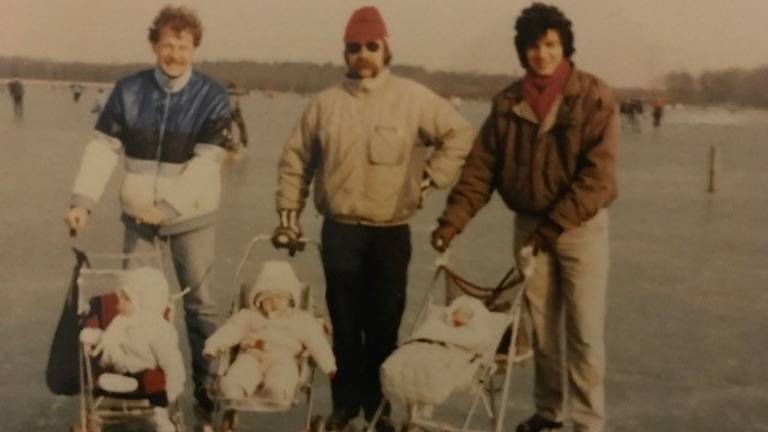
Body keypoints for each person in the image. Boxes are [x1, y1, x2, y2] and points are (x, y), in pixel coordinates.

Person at [273, 6, 474, 431]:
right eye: (353, 47)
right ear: (344, 53)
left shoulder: (413, 98)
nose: (362, 54)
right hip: (340, 230)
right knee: (344, 324)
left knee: (383, 325)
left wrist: (428, 180)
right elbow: (295, 159)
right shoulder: (325, 104)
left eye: (371, 46)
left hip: (390, 233)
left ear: (385, 48)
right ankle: (345, 405)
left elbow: (461, 136)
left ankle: (380, 408)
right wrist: (289, 216)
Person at [431, 3, 618, 432]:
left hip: (579, 230)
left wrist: (556, 225)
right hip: (530, 229)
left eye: (550, 44)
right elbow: (480, 170)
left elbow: (599, 178)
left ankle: (588, 421)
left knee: (584, 331)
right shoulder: (507, 103)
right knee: (542, 331)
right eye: (533, 46)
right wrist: (452, 221)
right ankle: (549, 412)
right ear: (523, 50)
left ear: (564, 46)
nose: (542, 54)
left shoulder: (594, 96)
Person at [63, 6, 231, 430]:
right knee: (133, 308)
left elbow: (207, 164)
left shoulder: (211, 96)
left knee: (201, 308)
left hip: (192, 219)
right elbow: (102, 150)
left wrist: (170, 206)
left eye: (183, 45)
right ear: (155, 45)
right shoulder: (129, 91)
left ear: (195, 48)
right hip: (138, 219)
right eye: (167, 44)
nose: (174, 53)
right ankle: (140, 385)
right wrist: (83, 201)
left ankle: (207, 394)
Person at [203, 260, 336, 402]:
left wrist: (329, 365)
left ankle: (277, 390)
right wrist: (213, 345)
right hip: (252, 356)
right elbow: (230, 331)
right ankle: (234, 387)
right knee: (242, 369)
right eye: (267, 299)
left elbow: (316, 341)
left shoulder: (300, 319)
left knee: (284, 372)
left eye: (279, 298)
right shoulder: (248, 316)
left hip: (284, 357)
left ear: (290, 300)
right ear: (258, 300)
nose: (274, 303)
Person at [79, 266, 185, 432]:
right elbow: (108, 341)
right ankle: (120, 385)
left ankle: (160, 415)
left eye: (124, 299)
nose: (118, 303)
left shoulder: (158, 329)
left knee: (154, 379)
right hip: (122, 370)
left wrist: (173, 389)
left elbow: (171, 361)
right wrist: (95, 337)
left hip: (146, 372)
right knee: (105, 375)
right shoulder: (120, 323)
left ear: (139, 302)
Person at [224, 81, 249, 157]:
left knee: (239, 127)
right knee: (240, 127)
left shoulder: (227, 92)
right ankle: (240, 143)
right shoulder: (232, 92)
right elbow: (242, 92)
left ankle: (241, 143)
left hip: (232, 111)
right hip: (231, 111)